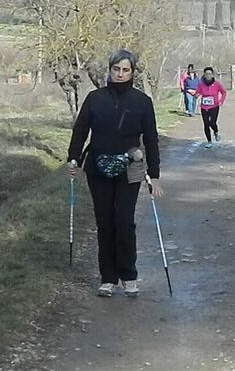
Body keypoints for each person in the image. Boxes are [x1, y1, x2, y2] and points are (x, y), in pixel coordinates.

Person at [67, 49, 163, 298]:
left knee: (124, 222)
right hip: (98, 167)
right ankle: (107, 278)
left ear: (132, 72)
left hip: (130, 170)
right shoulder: (95, 98)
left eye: (125, 70)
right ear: (109, 70)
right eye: (116, 69)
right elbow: (80, 130)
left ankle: (129, 276)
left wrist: (154, 175)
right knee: (105, 223)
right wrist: (73, 158)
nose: (120, 74)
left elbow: (151, 139)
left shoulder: (142, 102)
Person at [195, 66, 227, 148]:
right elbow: (198, 92)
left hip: (214, 106)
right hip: (204, 107)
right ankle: (209, 141)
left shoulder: (217, 84)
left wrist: (221, 101)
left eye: (209, 74)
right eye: (206, 74)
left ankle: (216, 132)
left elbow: (223, 92)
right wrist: (196, 95)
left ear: (212, 75)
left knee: (212, 123)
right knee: (206, 124)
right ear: (204, 75)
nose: (208, 76)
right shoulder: (201, 84)